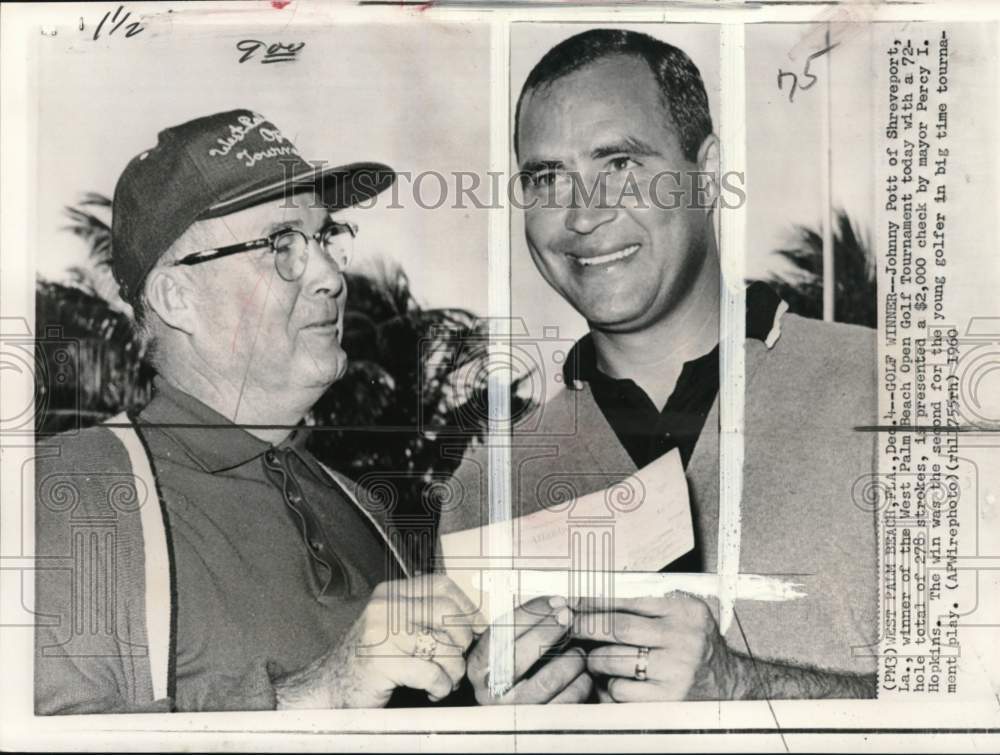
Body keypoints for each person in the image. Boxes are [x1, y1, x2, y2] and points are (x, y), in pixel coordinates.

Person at [445, 29, 877, 702]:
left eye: (619, 163)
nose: (583, 215)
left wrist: (740, 687)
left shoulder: (892, 391)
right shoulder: (483, 489)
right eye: (547, 178)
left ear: (707, 175)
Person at [34, 109, 487, 713]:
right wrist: (323, 692)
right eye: (281, 245)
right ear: (177, 297)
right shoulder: (72, 488)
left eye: (325, 238)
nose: (329, 275)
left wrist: (494, 699)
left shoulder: (363, 506)